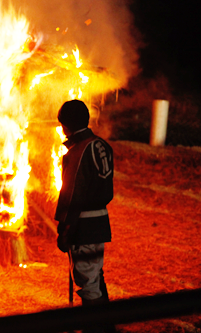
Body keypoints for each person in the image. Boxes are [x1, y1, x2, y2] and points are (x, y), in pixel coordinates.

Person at [54, 100, 116, 332]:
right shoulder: (101, 145)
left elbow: (72, 195)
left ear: (65, 126)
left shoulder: (78, 152)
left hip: (84, 225)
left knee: (88, 281)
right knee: (95, 275)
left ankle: (97, 329)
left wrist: (65, 229)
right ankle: (107, 324)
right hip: (100, 220)